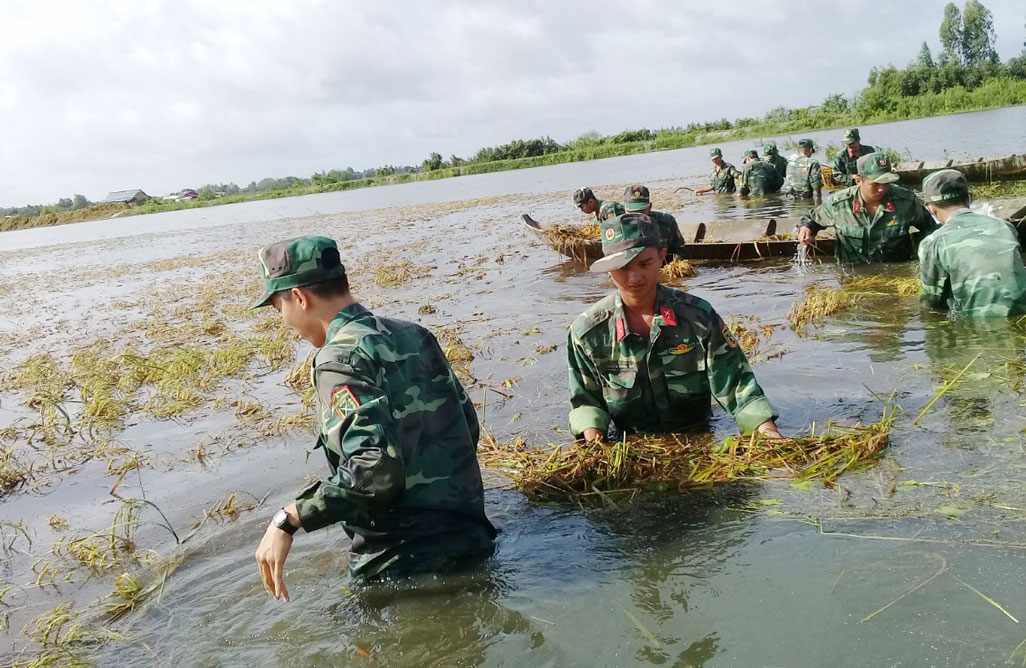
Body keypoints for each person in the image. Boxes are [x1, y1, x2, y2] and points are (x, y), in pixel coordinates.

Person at [251, 236, 496, 597]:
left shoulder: (337, 360)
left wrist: (289, 518)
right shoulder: (414, 334)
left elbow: (375, 468)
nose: (285, 321)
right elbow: (467, 427)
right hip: (472, 540)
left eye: (278, 307)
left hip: (400, 567)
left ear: (300, 298)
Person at [567, 213, 782, 441]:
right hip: (630, 444)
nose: (634, 277)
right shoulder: (588, 332)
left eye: (644, 263)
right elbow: (587, 402)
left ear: (662, 256)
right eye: (622, 267)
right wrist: (595, 450)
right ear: (608, 269)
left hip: (698, 436)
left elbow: (737, 387)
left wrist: (769, 435)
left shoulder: (698, 318)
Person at [917, 169, 1026, 317]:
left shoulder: (933, 242)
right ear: (969, 198)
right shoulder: (1004, 226)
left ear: (930, 209)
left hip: (979, 325)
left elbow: (932, 303)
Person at [798, 152, 937, 263]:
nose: (882, 189)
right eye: (876, 184)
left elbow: (932, 229)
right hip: (853, 279)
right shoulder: (839, 204)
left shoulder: (905, 200)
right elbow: (811, 218)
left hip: (896, 276)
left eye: (886, 183)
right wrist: (807, 229)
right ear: (859, 181)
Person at [622, 184, 688, 259]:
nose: (637, 215)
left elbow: (680, 250)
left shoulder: (666, 222)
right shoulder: (617, 227)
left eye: (641, 211)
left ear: (650, 207)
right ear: (625, 209)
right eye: (632, 211)